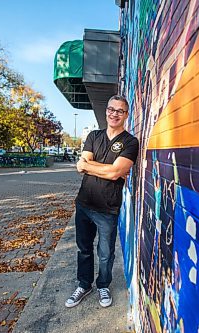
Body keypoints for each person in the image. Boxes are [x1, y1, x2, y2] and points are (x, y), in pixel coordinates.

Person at [65, 95, 139, 308]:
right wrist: (105, 169)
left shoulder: (130, 142)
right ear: (106, 111)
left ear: (126, 115)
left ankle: (103, 285)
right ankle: (84, 284)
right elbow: (81, 166)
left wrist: (93, 167)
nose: (114, 113)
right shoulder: (93, 136)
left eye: (120, 111)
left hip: (108, 208)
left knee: (105, 253)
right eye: (111, 109)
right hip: (84, 204)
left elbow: (115, 173)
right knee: (84, 249)